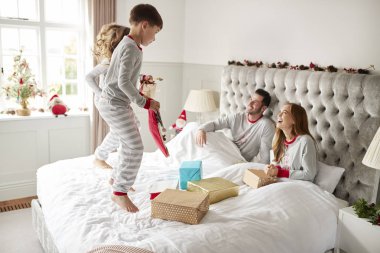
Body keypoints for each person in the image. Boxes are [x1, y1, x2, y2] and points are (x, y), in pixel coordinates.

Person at [96, 4, 162, 212]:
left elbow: (121, 78)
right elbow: (123, 82)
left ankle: (117, 178)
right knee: (135, 146)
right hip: (114, 104)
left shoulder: (127, 44)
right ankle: (119, 193)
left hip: (114, 102)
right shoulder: (131, 48)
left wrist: (140, 91)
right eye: (155, 32)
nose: (154, 38)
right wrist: (145, 102)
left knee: (131, 134)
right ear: (145, 25)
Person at [86, 23, 130, 169]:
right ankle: (100, 157)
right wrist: (100, 93)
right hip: (105, 101)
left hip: (116, 101)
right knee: (120, 130)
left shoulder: (121, 61)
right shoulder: (108, 62)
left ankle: (113, 158)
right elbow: (88, 77)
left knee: (129, 128)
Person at [196, 89, 275, 163]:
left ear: (263, 108)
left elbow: (265, 157)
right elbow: (215, 124)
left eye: (255, 102)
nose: (250, 103)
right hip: (227, 147)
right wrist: (201, 130)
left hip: (239, 158)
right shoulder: (237, 117)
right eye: (251, 99)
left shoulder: (266, 125)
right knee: (194, 128)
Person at [264, 102, 317, 181]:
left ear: (295, 120)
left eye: (284, 113)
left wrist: (279, 172)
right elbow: (279, 166)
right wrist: (271, 169)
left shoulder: (305, 141)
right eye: (280, 112)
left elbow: (309, 174)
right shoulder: (277, 139)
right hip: (280, 182)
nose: (279, 115)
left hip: (298, 185)